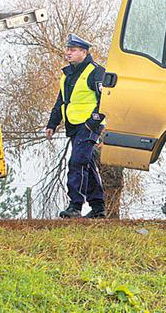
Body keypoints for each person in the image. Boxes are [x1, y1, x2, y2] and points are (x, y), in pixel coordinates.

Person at [45, 34, 106, 218]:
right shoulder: (68, 74)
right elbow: (61, 101)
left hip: (88, 126)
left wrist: (92, 122)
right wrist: (52, 124)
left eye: (72, 50)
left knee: (77, 162)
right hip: (73, 125)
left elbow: (105, 100)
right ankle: (98, 207)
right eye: (67, 49)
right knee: (86, 163)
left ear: (84, 52)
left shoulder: (96, 71)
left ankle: (75, 205)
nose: (68, 53)